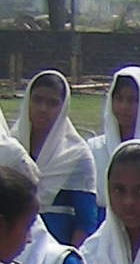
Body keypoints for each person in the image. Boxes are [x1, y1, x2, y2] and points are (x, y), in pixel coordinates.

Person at [21, 73, 99, 242]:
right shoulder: (11, 147)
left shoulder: (77, 154)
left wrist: (67, 260)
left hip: (56, 247)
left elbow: (85, 222)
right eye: (37, 100)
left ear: (63, 107)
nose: (43, 109)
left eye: (52, 103)